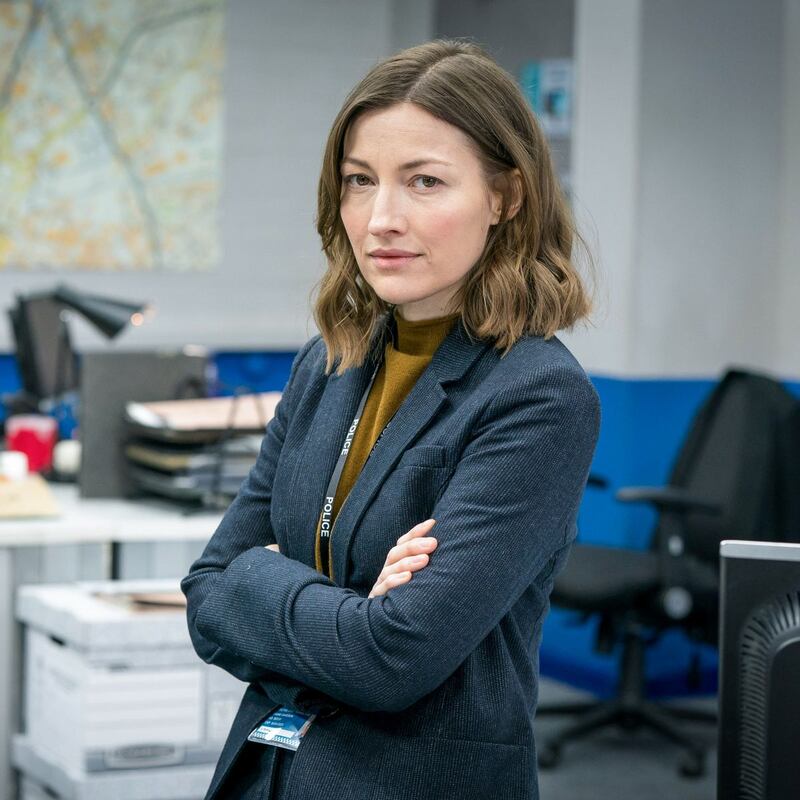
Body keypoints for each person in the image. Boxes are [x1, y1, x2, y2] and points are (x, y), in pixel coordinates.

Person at [181, 39, 600, 800]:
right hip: (270, 772)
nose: (380, 219)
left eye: (425, 182)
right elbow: (207, 589)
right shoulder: (329, 361)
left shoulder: (537, 396)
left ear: (505, 196)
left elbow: (391, 659)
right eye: (359, 182)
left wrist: (263, 578)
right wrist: (339, 608)